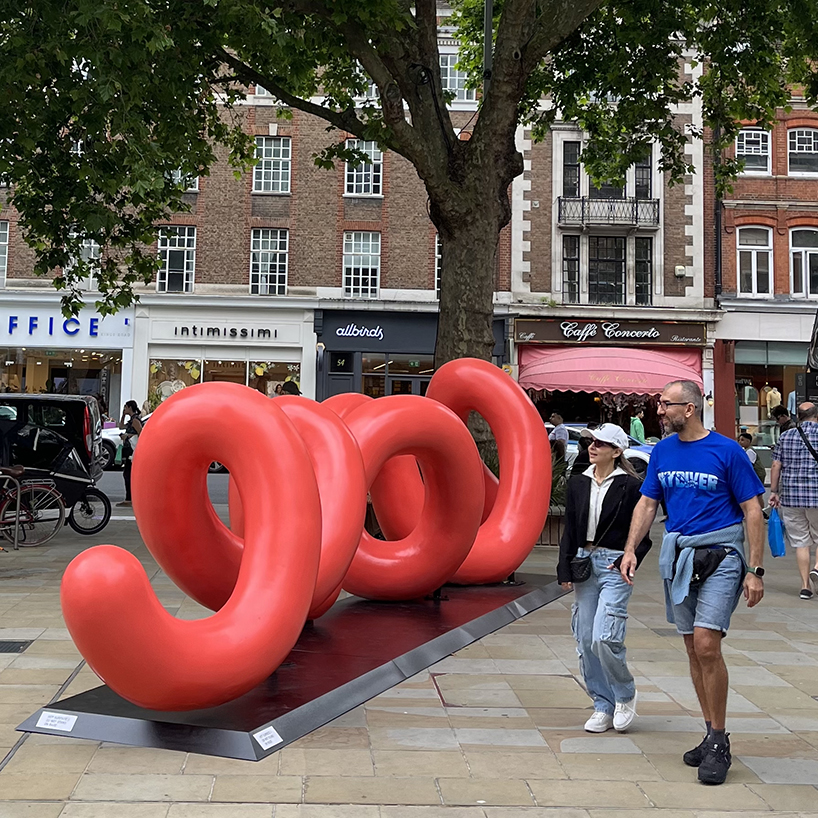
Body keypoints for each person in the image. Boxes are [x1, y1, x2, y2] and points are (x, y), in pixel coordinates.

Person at [619, 380, 764, 786]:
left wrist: (755, 570)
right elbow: (648, 503)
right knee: (690, 645)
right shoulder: (662, 451)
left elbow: (752, 510)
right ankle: (709, 729)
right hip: (680, 555)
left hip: (724, 554)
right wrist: (631, 549)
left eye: (666, 405)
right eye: (659, 404)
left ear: (691, 408)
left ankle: (719, 742)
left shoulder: (727, 451)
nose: (659, 411)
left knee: (706, 643)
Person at [558, 424, 652, 734]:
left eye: (601, 443)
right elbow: (569, 529)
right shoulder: (578, 483)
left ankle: (624, 694)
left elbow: (643, 534)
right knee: (585, 638)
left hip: (614, 564)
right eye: (591, 441)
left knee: (605, 636)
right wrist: (564, 568)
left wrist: (628, 557)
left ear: (617, 451)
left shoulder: (631, 485)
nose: (592, 446)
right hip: (584, 563)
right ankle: (602, 703)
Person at [769, 402, 818, 599]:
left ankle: (805, 586)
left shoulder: (786, 436)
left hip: (792, 496)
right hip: (817, 494)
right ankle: (817, 567)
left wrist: (774, 491)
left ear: (798, 416)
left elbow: (775, 465)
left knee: (801, 542)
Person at [117, 400, 143, 508]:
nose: (124, 409)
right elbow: (120, 426)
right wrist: (123, 416)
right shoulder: (131, 420)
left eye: (125, 407)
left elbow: (141, 433)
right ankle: (130, 498)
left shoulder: (135, 420)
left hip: (132, 451)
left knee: (128, 474)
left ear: (129, 407)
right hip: (128, 450)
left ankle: (129, 498)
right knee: (127, 473)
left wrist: (128, 436)